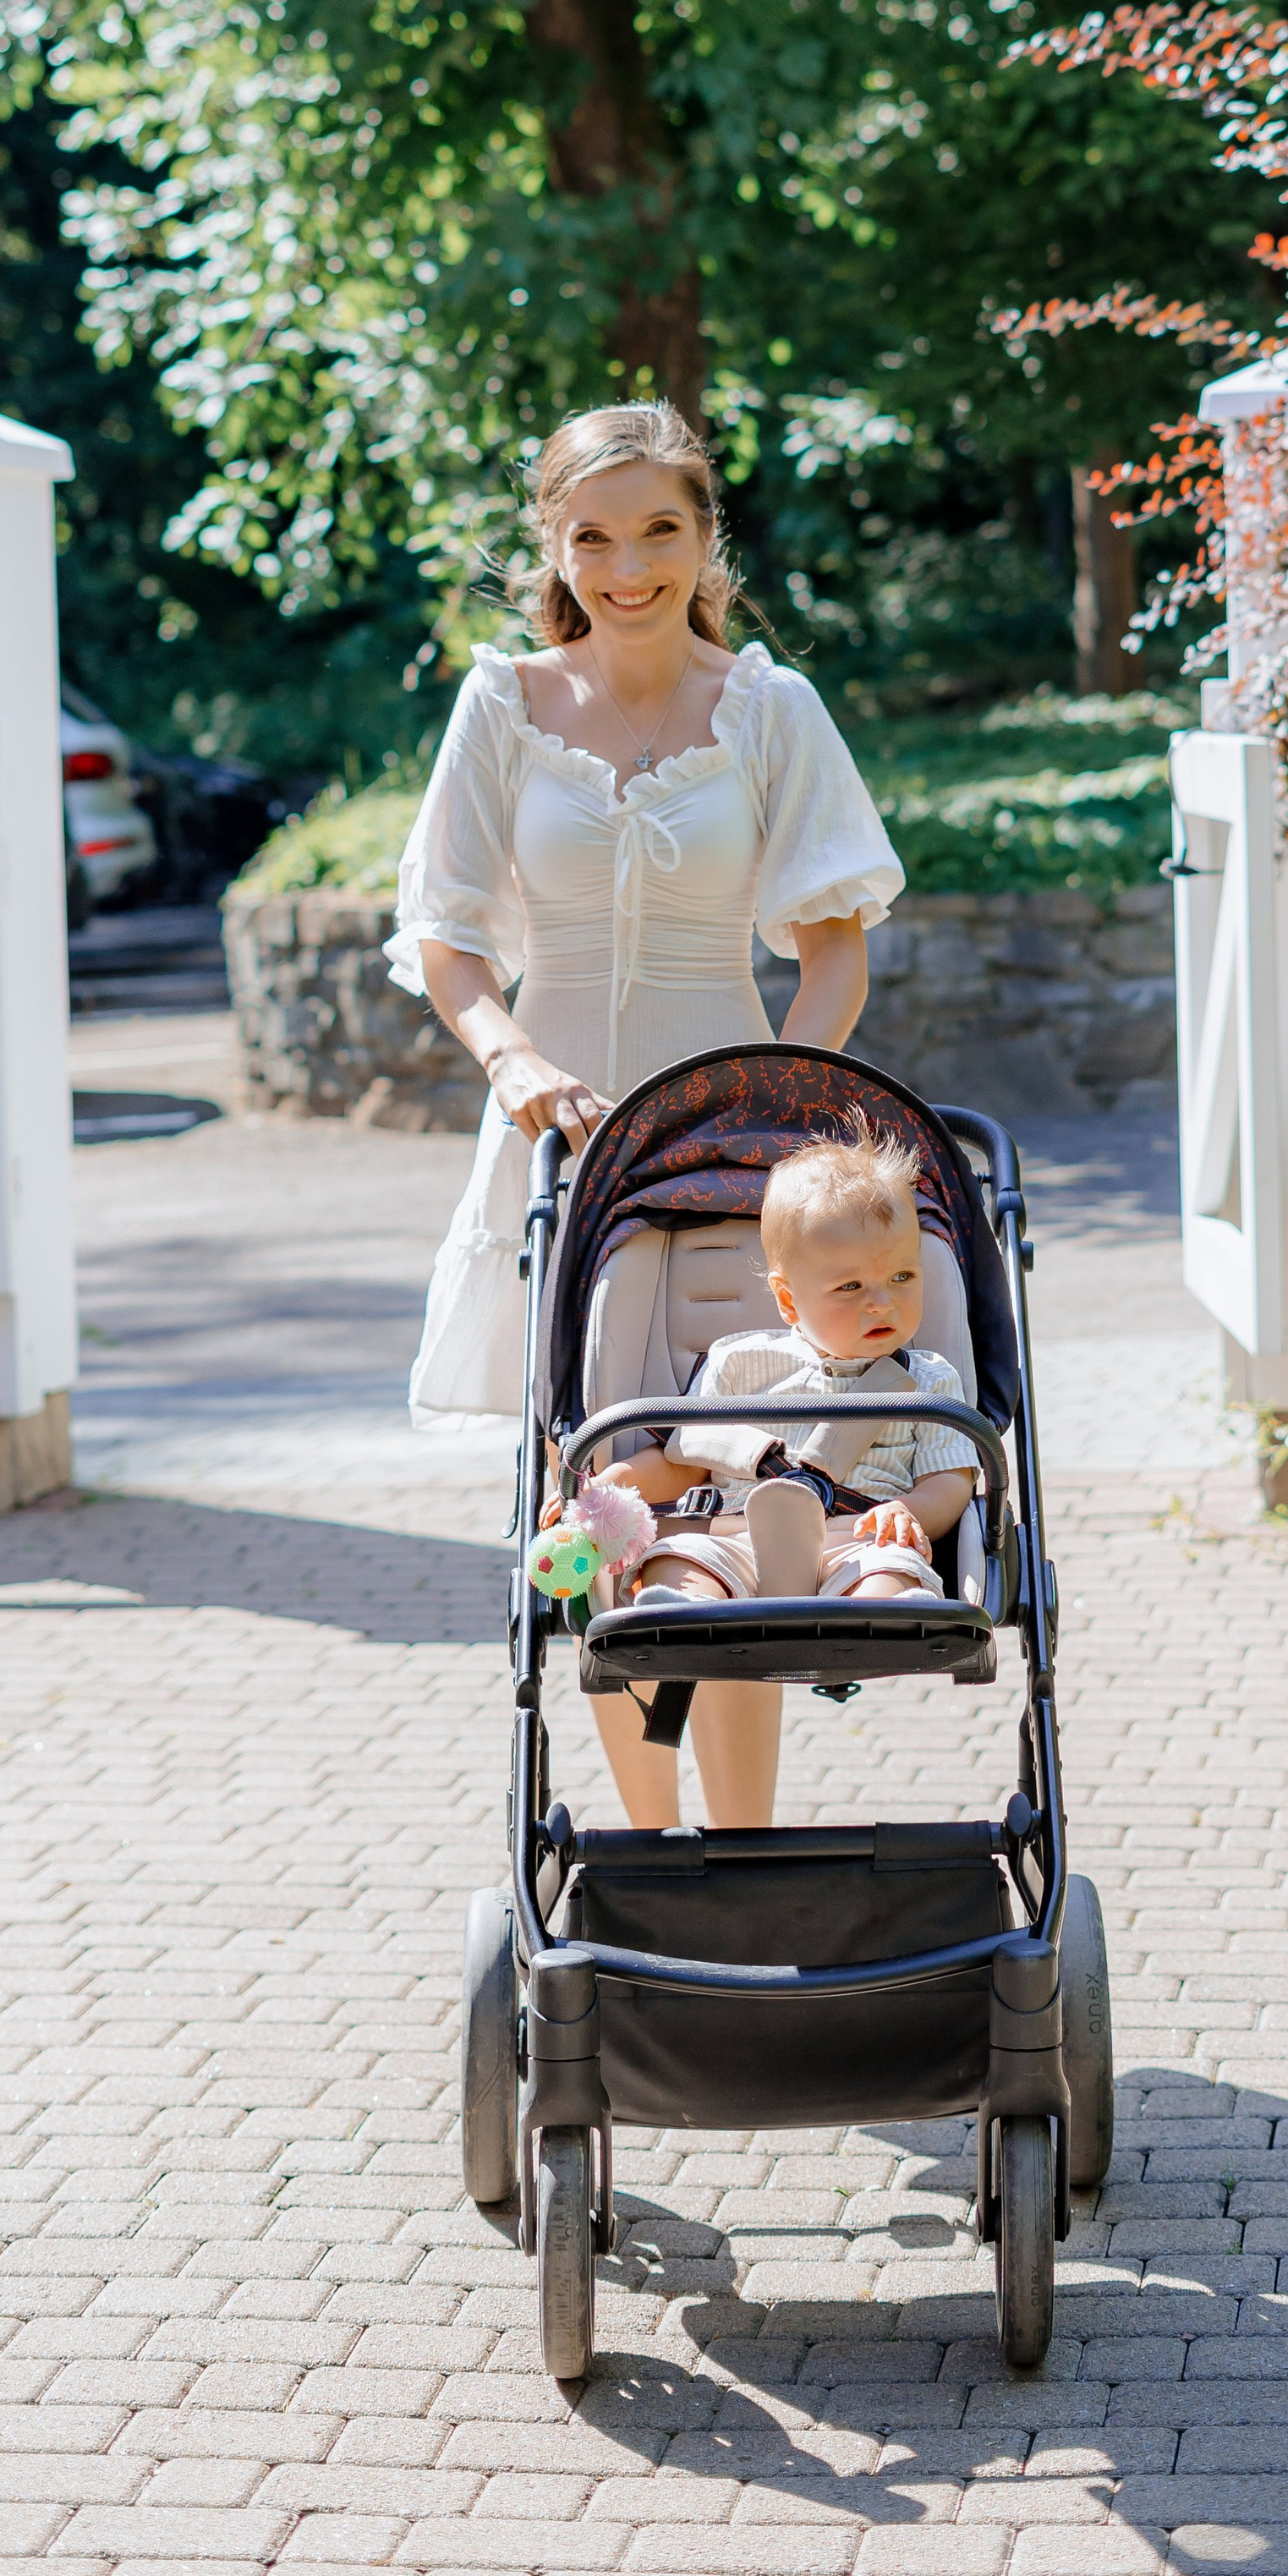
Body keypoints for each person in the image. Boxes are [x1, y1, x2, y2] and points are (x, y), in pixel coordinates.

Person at [389, 397, 903, 1825]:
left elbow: (835, 951)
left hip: (732, 1155)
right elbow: (448, 942)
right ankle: (649, 1844)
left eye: (660, 531)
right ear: (555, 547)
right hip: (559, 1154)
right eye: (595, 538)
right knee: (599, 1505)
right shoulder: (502, 706)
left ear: (704, 536)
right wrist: (511, 1063)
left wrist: (779, 1114)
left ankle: (740, 1854)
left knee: (732, 1489)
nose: (629, 568)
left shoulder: (772, 712)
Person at [606, 1124, 980, 1620]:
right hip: (739, 1536)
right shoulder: (736, 1361)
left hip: (861, 1537)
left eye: (902, 1276)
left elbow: (950, 1480)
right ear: (787, 1299)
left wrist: (910, 1512)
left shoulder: (929, 1381)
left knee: (893, 1567)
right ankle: (686, 1612)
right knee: (680, 1556)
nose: (882, 1302)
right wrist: (611, 1488)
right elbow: (685, 1460)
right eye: (851, 1287)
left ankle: (877, 1619)